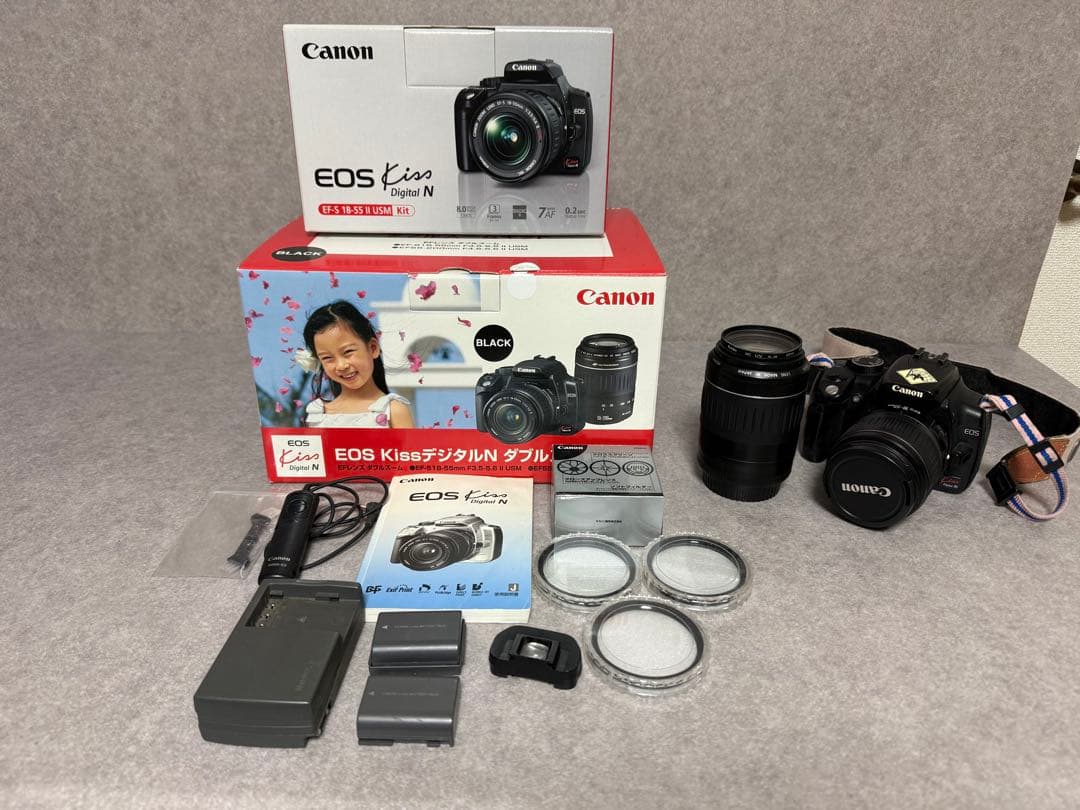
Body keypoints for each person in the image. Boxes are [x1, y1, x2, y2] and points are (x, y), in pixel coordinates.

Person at [295, 301, 414, 428]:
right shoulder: (316, 414)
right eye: (327, 358)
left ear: (373, 348)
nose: (341, 366)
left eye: (348, 352)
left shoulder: (393, 410)